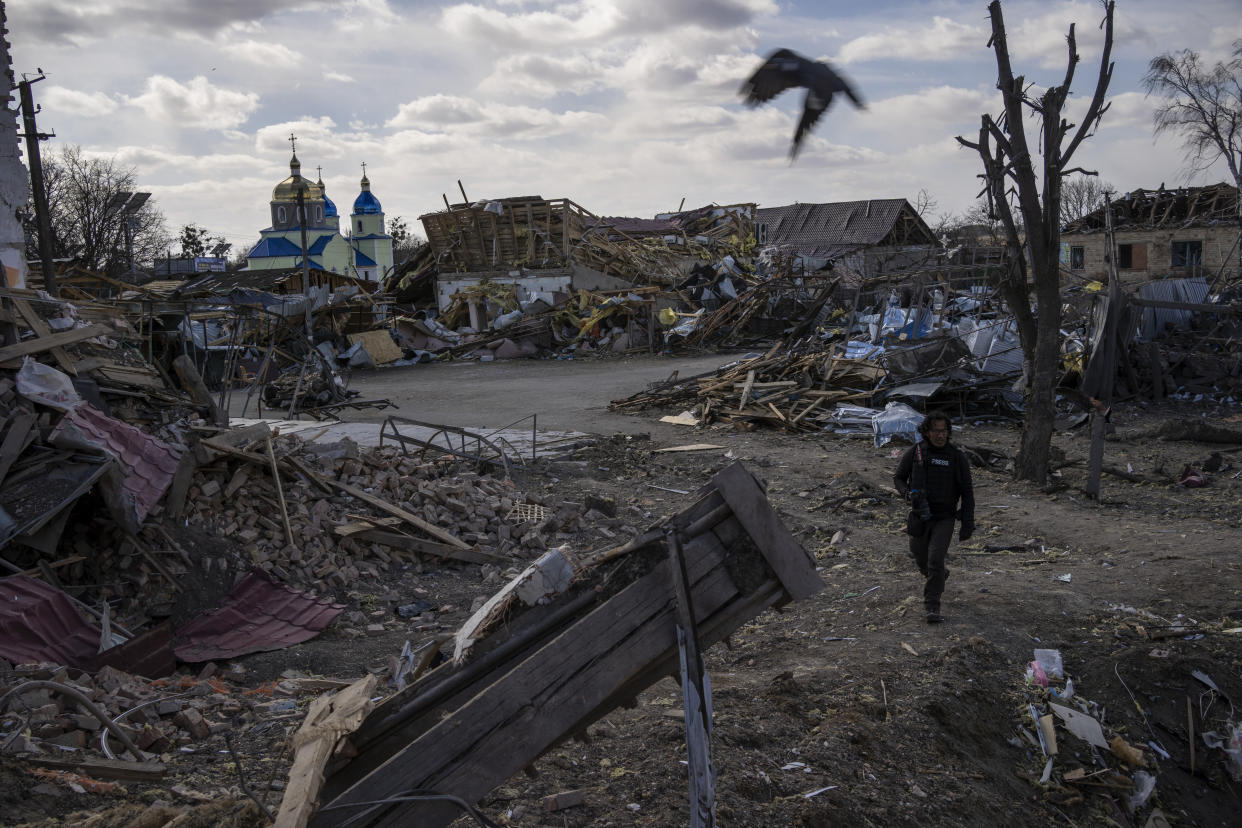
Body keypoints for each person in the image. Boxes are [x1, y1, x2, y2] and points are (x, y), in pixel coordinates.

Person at [892, 411, 975, 623]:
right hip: (920, 515)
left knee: (935, 559)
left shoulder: (956, 457)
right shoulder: (917, 452)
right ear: (927, 432)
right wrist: (907, 494)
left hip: (945, 517)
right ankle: (938, 577)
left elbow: (967, 492)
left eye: (944, 431)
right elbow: (899, 478)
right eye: (936, 431)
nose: (940, 435)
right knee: (920, 557)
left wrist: (967, 523)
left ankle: (932, 605)